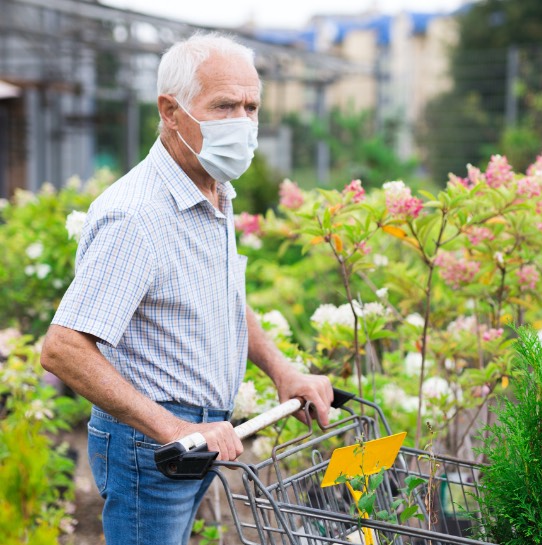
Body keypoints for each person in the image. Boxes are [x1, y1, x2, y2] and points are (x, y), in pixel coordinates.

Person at [41, 32, 333, 545]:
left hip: (205, 436)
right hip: (154, 445)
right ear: (170, 112)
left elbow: (223, 299)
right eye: (224, 106)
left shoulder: (214, 187)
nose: (243, 123)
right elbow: (63, 349)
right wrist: (173, 429)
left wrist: (284, 372)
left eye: (251, 107)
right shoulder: (138, 214)